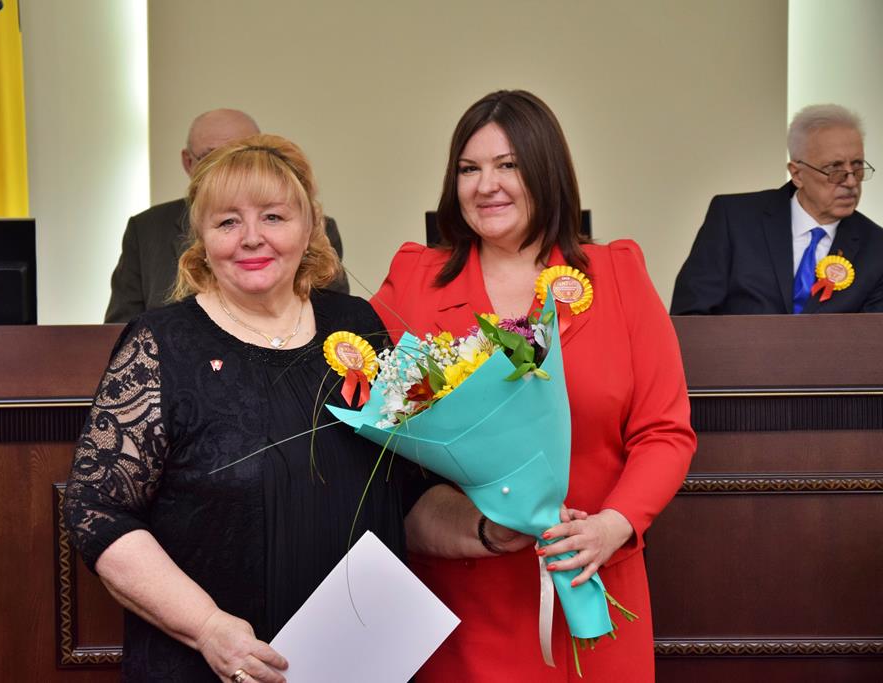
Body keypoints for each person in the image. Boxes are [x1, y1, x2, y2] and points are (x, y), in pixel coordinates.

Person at [371, 90, 696, 681]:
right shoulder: (414, 278)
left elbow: (664, 433)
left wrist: (612, 526)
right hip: (463, 595)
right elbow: (370, 408)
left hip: (593, 578)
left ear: (547, 171)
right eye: (469, 169)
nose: (486, 185)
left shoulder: (618, 274)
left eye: (508, 165)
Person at [65, 134, 405, 683]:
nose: (251, 237)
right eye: (227, 222)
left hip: (359, 659)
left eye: (273, 216)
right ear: (202, 238)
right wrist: (207, 627)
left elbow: (402, 488)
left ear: (309, 227)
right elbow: (96, 510)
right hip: (212, 666)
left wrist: (486, 529)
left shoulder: (357, 325)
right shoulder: (161, 343)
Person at [104, 109, 349, 323]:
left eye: (273, 218)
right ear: (188, 162)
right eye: (227, 222)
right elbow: (116, 333)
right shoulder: (146, 229)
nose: (228, 167)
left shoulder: (318, 227)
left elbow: (333, 318)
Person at [671, 103, 883, 314]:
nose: (851, 182)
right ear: (797, 174)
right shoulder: (734, 220)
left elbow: (873, 332)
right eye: (834, 169)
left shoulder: (876, 248)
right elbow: (690, 316)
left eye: (857, 167)